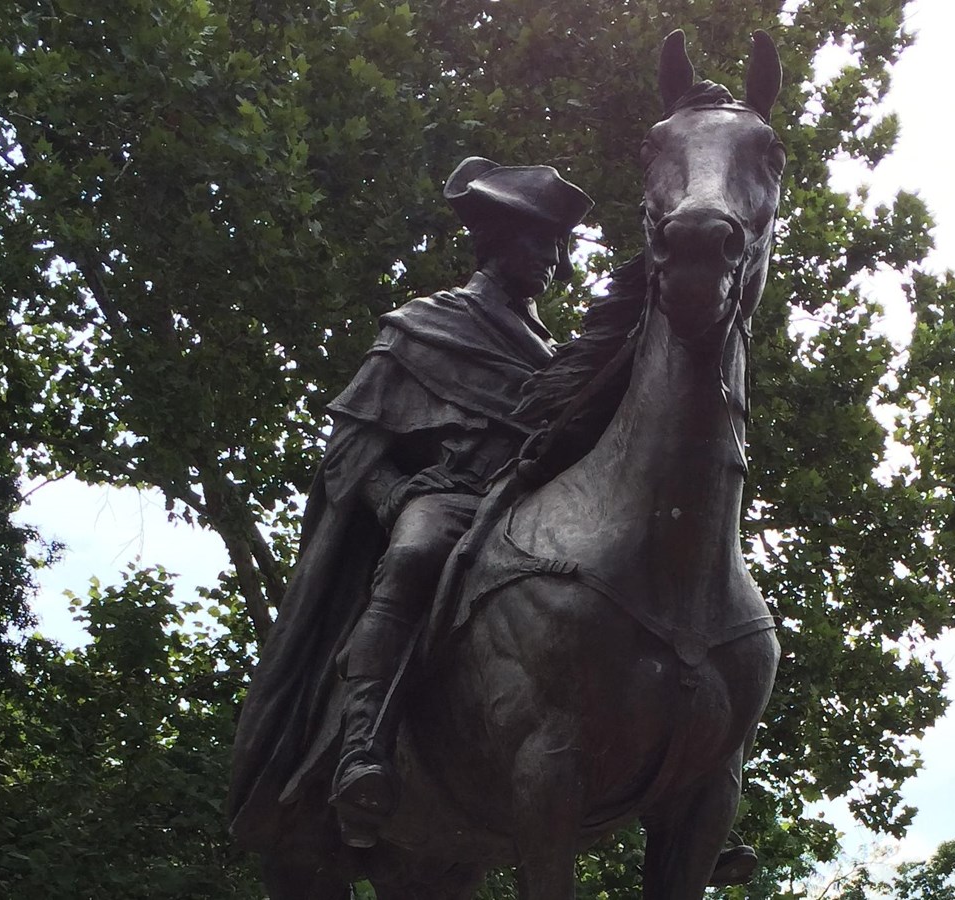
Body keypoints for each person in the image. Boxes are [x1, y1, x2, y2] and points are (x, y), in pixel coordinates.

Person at [227, 156, 757, 881]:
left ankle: (694, 786)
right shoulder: (425, 326)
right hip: (445, 499)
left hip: (530, 505)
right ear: (494, 243)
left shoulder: (549, 354)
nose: (552, 258)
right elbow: (350, 446)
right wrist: (400, 500)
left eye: (559, 245)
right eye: (536, 241)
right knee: (416, 554)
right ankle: (361, 748)